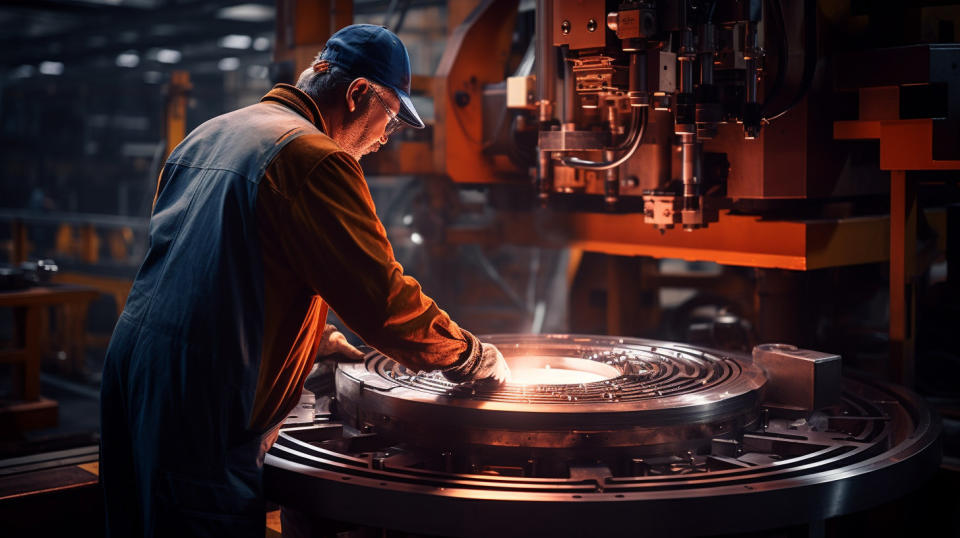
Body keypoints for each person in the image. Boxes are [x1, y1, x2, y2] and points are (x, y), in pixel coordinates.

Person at [99, 24, 510, 537]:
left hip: (131, 372)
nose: (387, 137)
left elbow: (215, 271)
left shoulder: (213, 131)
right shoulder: (314, 159)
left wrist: (313, 341)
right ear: (359, 94)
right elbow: (381, 301)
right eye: (391, 117)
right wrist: (468, 354)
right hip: (201, 398)